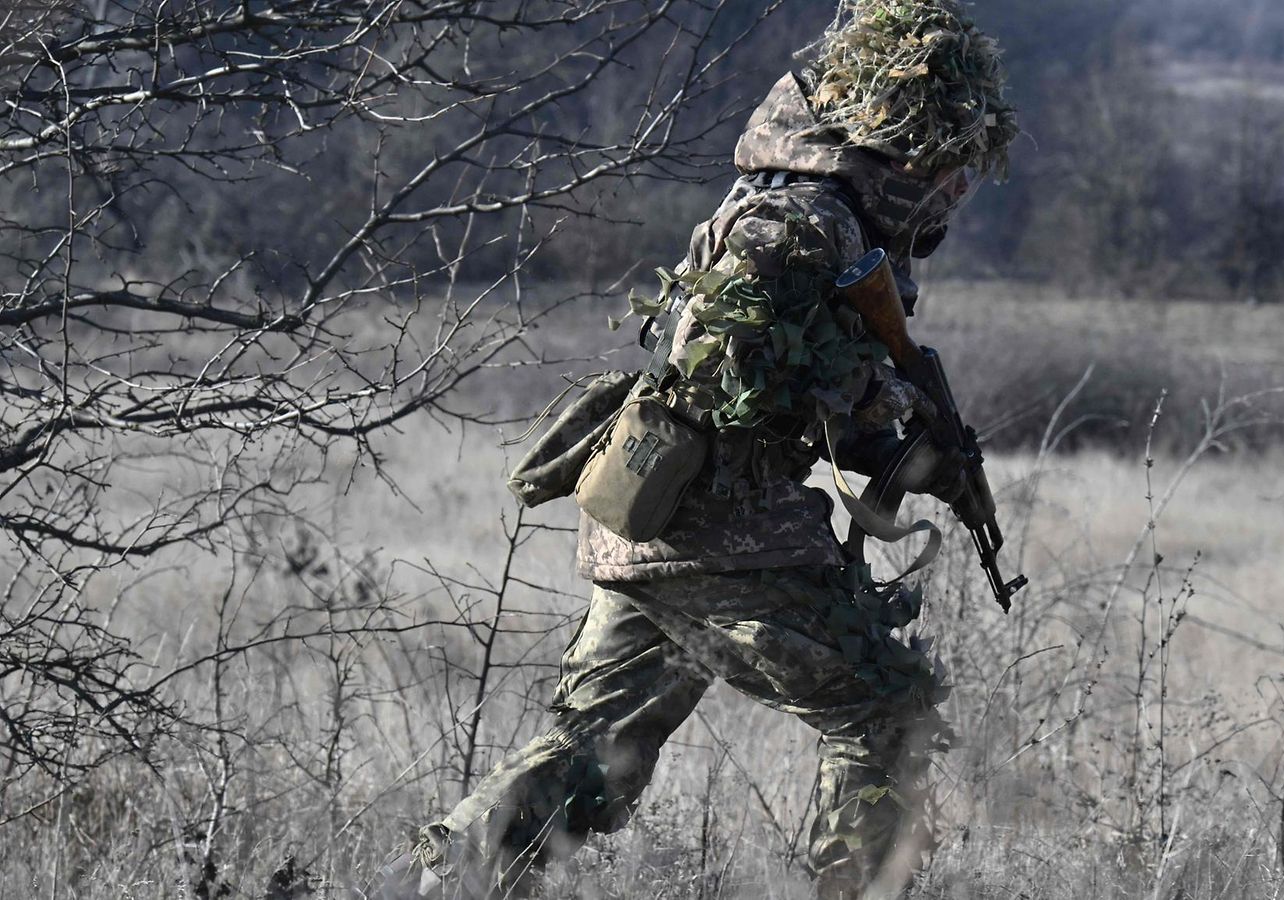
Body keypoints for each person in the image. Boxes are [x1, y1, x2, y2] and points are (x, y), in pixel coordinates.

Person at [376, 2, 1015, 897]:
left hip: (650, 525)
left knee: (593, 750)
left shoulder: (797, 208)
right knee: (888, 712)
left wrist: (916, 457)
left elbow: (787, 384)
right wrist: (883, 394)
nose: (955, 194)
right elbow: (737, 378)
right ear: (908, 150)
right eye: (950, 173)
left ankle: (452, 874)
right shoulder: (802, 224)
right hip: (725, 528)